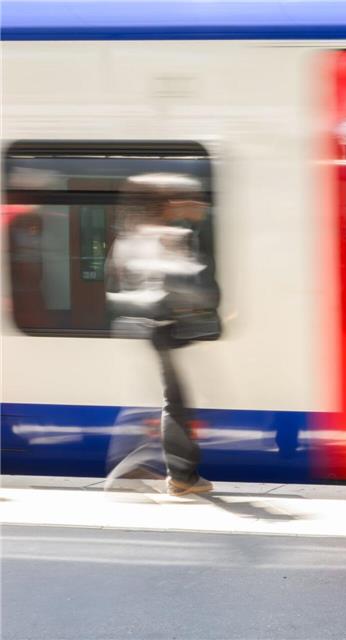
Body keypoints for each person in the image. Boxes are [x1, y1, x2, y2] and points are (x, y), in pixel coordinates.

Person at [105, 173, 218, 497]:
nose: (191, 204)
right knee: (175, 402)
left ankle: (161, 471)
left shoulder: (131, 234)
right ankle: (178, 475)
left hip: (148, 328)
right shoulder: (162, 236)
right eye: (183, 199)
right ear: (167, 203)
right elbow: (177, 283)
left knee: (166, 400)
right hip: (162, 329)